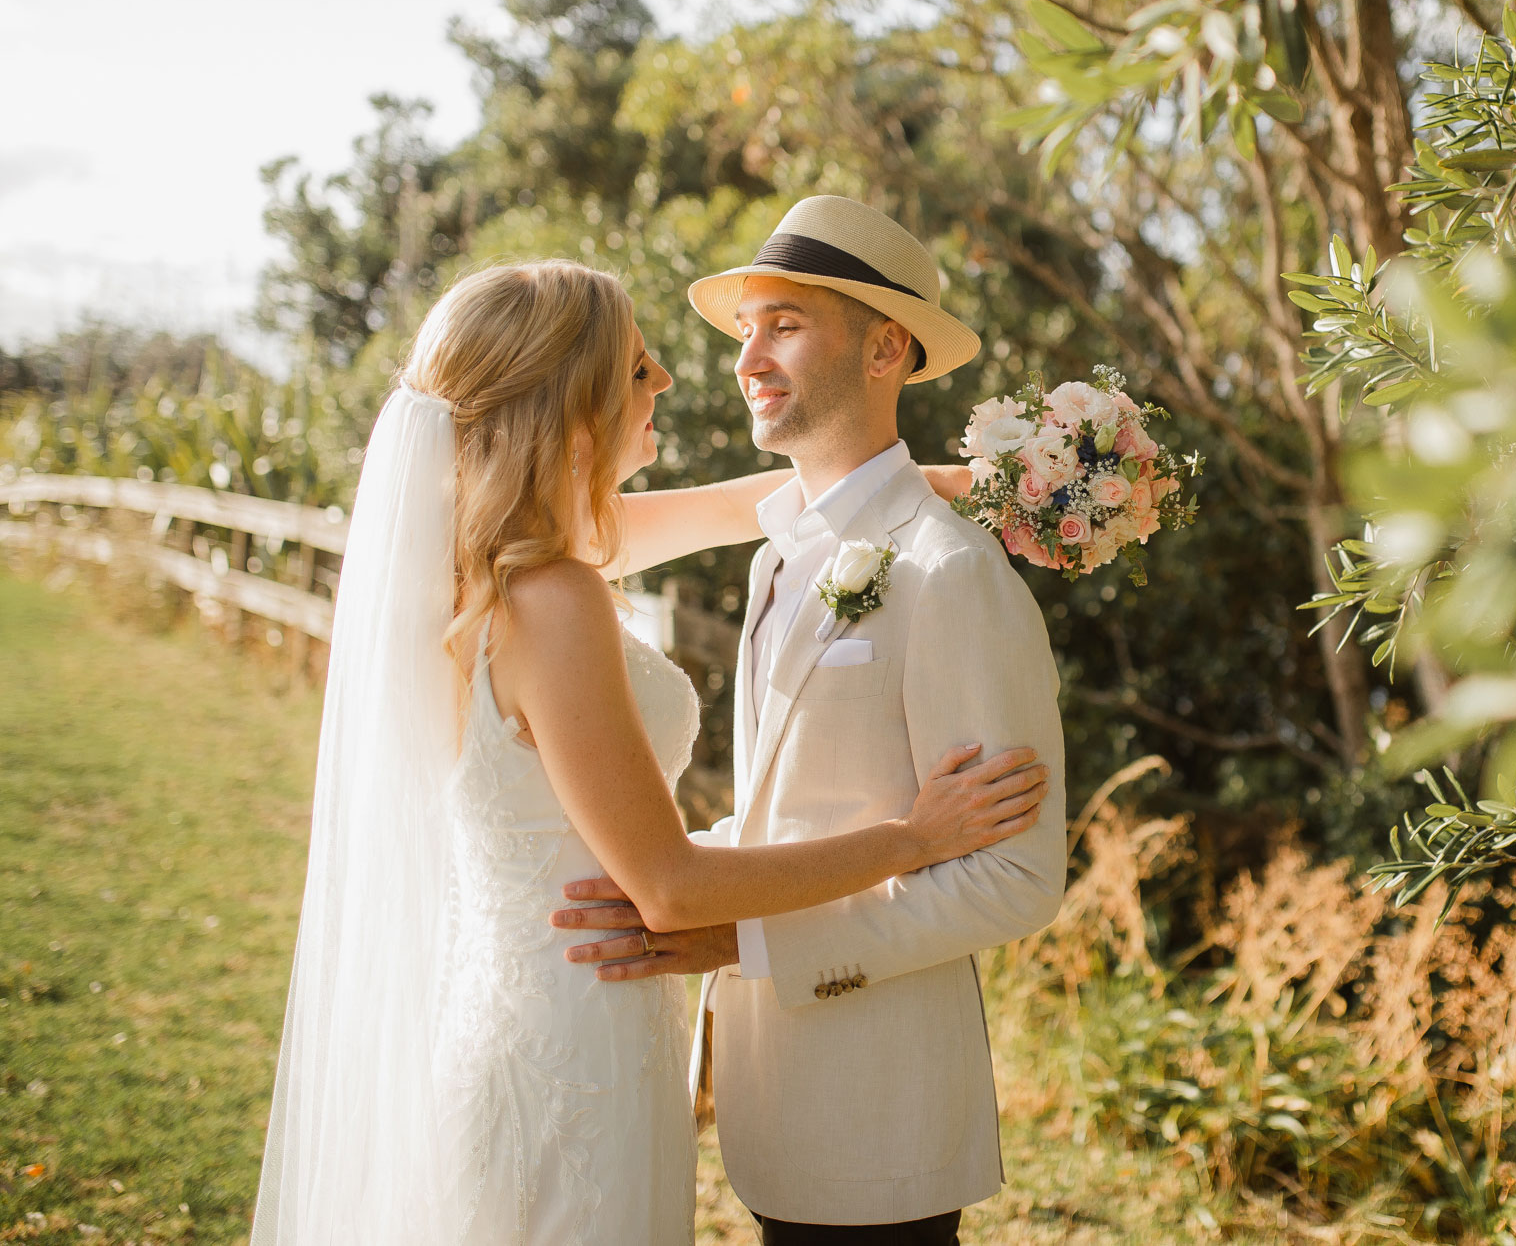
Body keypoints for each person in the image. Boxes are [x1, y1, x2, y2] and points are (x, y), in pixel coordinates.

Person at [250, 258, 1049, 1246]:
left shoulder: (475, 563)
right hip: (574, 1040)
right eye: (635, 368)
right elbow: (666, 887)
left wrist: (931, 486)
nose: (668, 377)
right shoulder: (554, 593)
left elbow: (742, 509)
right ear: (570, 400)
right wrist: (910, 836)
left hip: (546, 1011)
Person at [554, 195, 1068, 1244]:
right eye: (746, 329)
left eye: (782, 323)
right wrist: (671, 871)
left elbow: (1016, 877)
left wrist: (745, 938)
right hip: (767, 1103)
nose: (747, 357)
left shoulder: (949, 569)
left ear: (885, 347)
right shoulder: (773, 551)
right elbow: (790, 804)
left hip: (881, 1124)